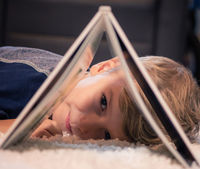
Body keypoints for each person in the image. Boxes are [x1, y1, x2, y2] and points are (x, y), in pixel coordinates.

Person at [0, 46, 200, 146]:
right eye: (103, 102)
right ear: (104, 67)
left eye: (106, 135)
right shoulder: (30, 79)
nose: (85, 124)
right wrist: (19, 128)